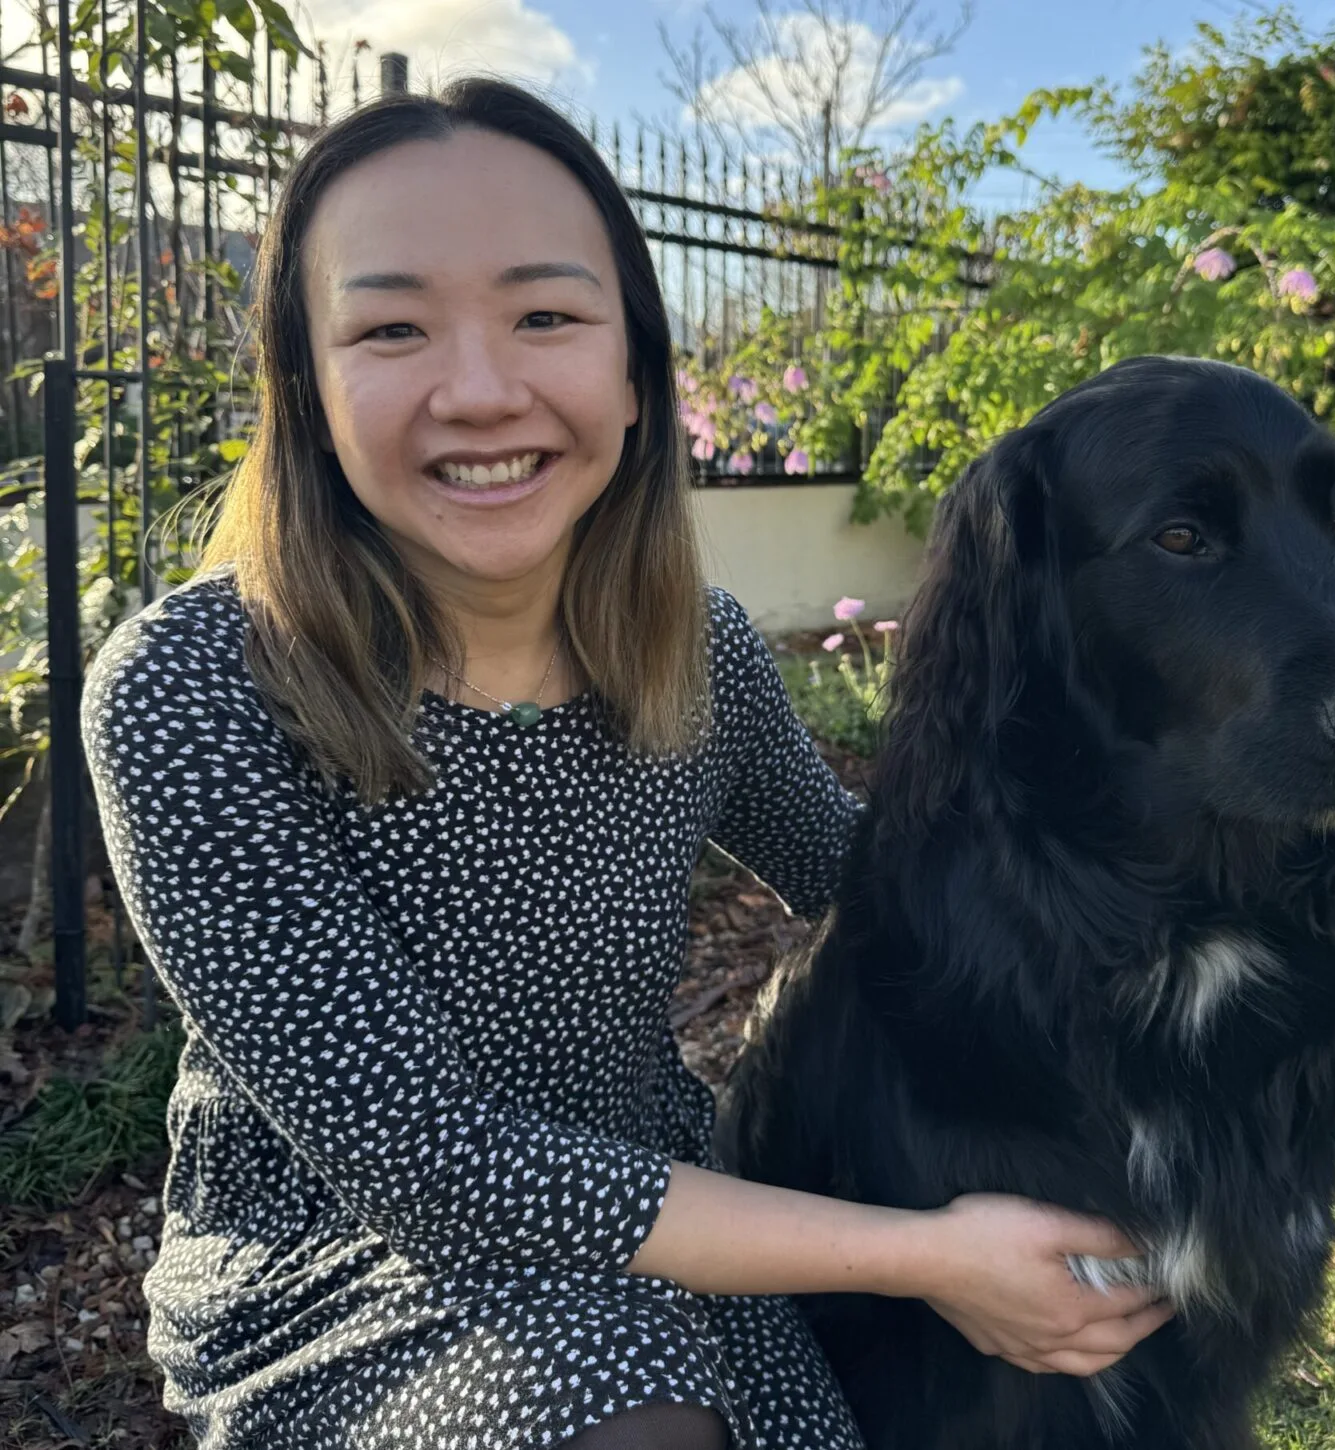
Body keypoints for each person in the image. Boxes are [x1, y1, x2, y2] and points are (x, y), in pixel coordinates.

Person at [81, 78, 1172, 1450]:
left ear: (641, 376)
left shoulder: (694, 653)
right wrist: (928, 1255)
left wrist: (1153, 818)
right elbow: (427, 1160)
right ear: (306, 388)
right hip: (343, 1255)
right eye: (391, 327)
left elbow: (876, 879)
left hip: (660, 1206)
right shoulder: (194, 688)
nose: (482, 391)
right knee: (628, 1404)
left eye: (545, 316)